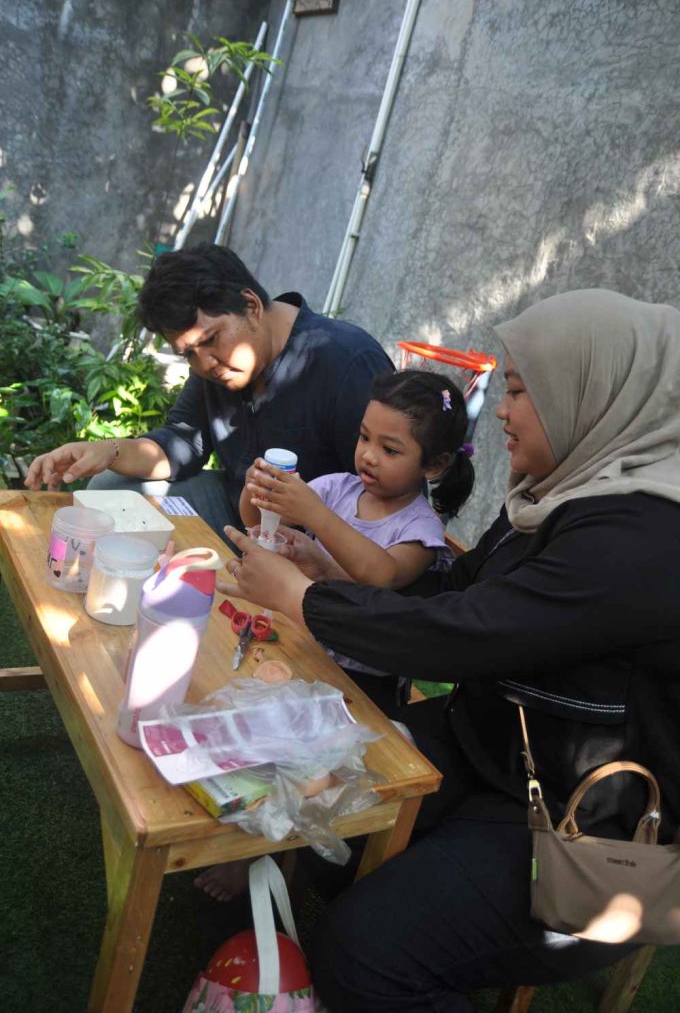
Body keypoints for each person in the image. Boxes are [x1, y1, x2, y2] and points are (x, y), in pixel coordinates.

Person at [218, 289, 680, 1011]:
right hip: (494, 748)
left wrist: (305, 599)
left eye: (521, 390)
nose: (501, 411)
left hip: (592, 828)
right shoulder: (558, 496)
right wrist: (329, 575)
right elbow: (453, 591)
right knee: (330, 824)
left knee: (361, 953)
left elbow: (469, 632)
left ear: (594, 394)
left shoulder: (642, 537)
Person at [23, 244, 393, 540]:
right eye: (188, 354)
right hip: (234, 512)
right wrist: (109, 450)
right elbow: (181, 443)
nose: (205, 364)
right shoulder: (216, 367)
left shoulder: (347, 362)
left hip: (317, 540)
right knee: (110, 486)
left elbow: (391, 501)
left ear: (251, 306)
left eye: (211, 339)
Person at [240, 369, 474, 710]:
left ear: (434, 464)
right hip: (304, 643)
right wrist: (256, 489)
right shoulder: (337, 487)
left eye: (390, 450)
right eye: (364, 437)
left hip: (364, 680)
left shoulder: (421, 530)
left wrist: (316, 514)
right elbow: (257, 522)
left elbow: (381, 575)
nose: (368, 455)